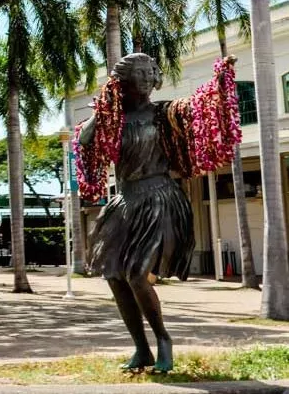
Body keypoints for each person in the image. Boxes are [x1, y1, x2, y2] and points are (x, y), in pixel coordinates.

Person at [76, 53, 239, 373]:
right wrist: (104, 105)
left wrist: (222, 79)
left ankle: (163, 339)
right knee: (113, 275)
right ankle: (141, 349)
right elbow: (85, 141)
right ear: (121, 82)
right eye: (140, 72)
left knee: (137, 274)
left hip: (158, 199)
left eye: (151, 71)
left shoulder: (164, 114)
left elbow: (201, 110)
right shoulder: (113, 119)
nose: (148, 78)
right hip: (124, 202)